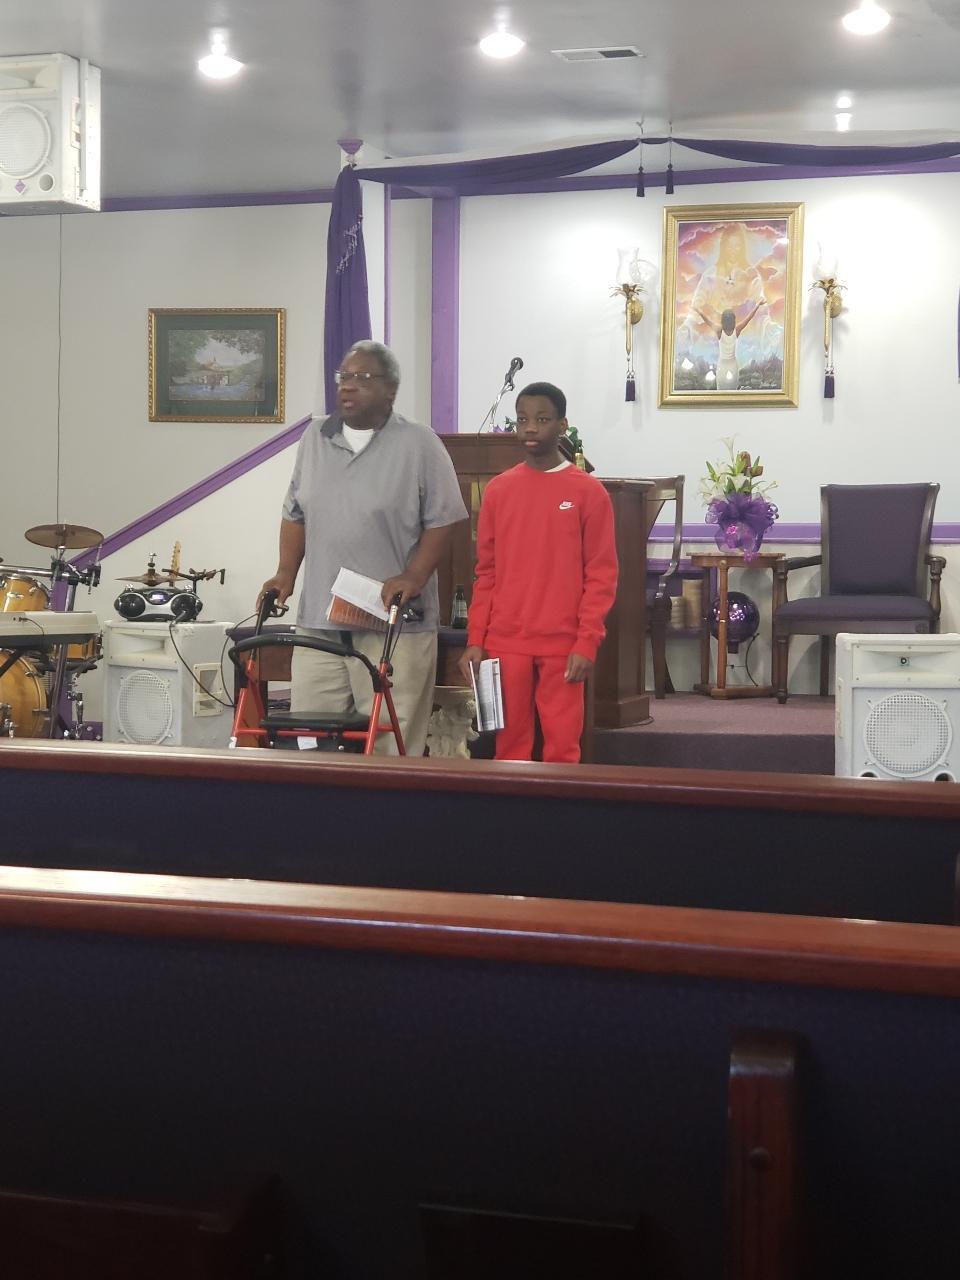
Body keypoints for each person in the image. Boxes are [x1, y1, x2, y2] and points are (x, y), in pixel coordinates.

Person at [259, 340, 467, 756]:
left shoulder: (419, 443)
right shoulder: (315, 437)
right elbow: (295, 513)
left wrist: (414, 575)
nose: (348, 386)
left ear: (391, 389)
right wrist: (285, 573)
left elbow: (444, 519)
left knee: (390, 745)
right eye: (345, 376)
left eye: (363, 378)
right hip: (320, 621)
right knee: (312, 741)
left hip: (392, 626)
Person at [458, 382, 618, 764]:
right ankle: (512, 805)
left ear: (562, 425)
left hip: (563, 643)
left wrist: (586, 642)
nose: (530, 428)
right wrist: (476, 639)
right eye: (523, 420)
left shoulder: (588, 492)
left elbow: (601, 576)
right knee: (508, 747)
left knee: (563, 748)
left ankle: (558, 806)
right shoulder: (499, 491)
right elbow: (486, 572)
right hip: (504, 642)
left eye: (542, 420)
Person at [693, 298, 765, 390]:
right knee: (733, 388)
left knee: (720, 387)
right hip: (732, 363)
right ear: (733, 320)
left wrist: (697, 310)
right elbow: (749, 318)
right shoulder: (737, 330)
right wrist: (757, 305)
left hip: (722, 363)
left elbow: (706, 319)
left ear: (722, 320)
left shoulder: (719, 330)